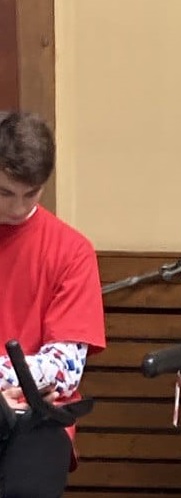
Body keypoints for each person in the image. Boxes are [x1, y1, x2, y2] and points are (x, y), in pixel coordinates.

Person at [0, 111, 106, 498]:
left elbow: (63, 369)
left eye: (31, 194)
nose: (17, 208)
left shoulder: (72, 250)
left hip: (39, 418)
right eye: (5, 193)